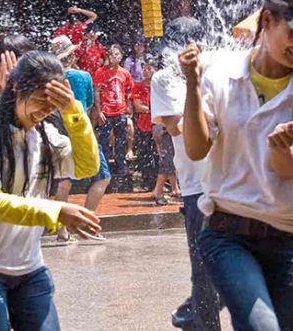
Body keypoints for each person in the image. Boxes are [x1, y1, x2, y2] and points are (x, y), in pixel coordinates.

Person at [181, 0, 293, 331]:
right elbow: (195, 149)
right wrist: (191, 85)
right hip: (227, 230)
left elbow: (287, 170)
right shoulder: (221, 74)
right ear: (267, 21)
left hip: (292, 235)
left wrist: (282, 150)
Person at [0, 51, 101, 331]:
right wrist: (56, 210)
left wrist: (73, 111)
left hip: (29, 267)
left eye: (53, 100)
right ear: (17, 86)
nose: (47, 107)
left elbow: (86, 166)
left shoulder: (43, 135)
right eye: (42, 97)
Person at [151, 17, 220, 330]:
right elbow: (173, 126)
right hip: (196, 184)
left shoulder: (220, 71)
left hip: (231, 181)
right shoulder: (165, 79)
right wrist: (203, 114)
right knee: (204, 268)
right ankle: (202, 320)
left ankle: (193, 311)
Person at [50, 35, 110, 243]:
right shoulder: (83, 76)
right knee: (103, 177)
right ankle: (86, 225)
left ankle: (61, 231)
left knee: (64, 182)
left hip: (57, 133)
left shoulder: (49, 78)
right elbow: (90, 106)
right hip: (79, 131)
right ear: (72, 54)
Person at [94, 44, 134, 176]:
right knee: (104, 139)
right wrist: (99, 111)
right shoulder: (101, 72)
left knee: (121, 139)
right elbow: (97, 92)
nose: (114, 56)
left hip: (120, 110)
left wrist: (128, 106)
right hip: (106, 111)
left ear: (121, 56)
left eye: (117, 54)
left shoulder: (125, 73)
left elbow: (129, 90)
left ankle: (120, 165)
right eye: (111, 54)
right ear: (108, 56)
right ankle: (104, 168)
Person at [132, 57, 158, 192]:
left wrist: (150, 109)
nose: (146, 71)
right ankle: (147, 182)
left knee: (159, 155)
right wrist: (154, 109)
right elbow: (137, 106)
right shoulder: (138, 86)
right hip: (144, 125)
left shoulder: (159, 86)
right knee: (145, 154)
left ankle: (159, 183)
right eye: (144, 68)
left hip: (158, 125)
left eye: (149, 68)